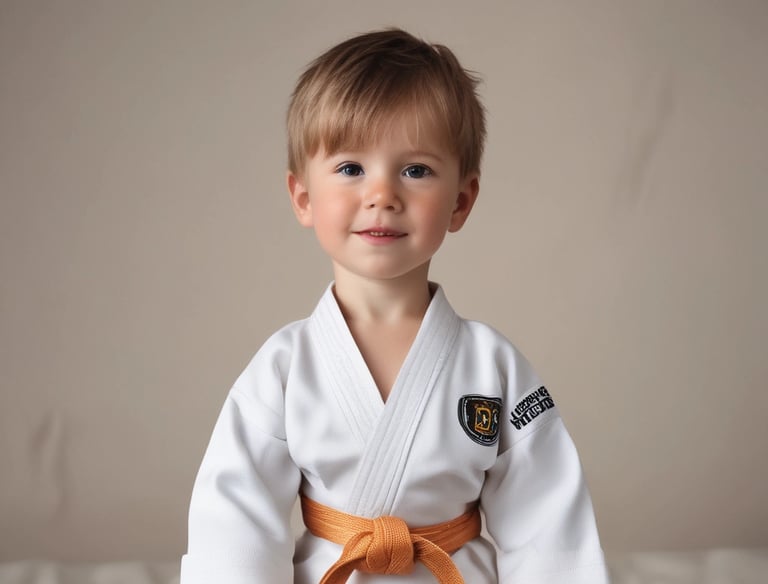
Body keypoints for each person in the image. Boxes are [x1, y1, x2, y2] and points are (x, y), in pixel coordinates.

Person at [180, 28, 609, 584]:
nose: (382, 194)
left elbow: (550, 521)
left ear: (461, 200)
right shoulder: (285, 367)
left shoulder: (493, 365)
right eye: (351, 168)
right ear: (303, 197)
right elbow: (232, 524)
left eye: (416, 170)